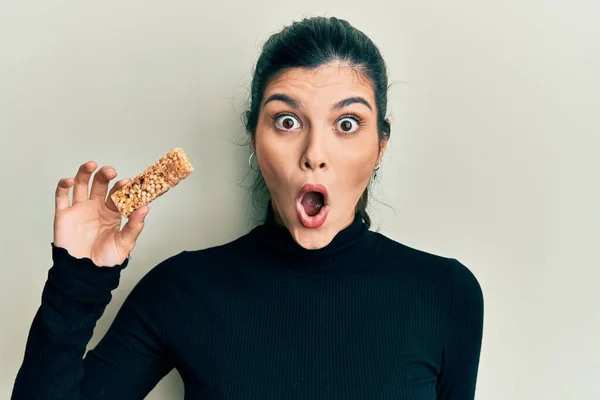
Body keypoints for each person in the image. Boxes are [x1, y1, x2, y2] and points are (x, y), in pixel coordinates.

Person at [11, 16, 484, 400]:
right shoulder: (184, 290)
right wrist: (77, 279)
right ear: (255, 138)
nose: (314, 152)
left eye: (346, 123)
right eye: (287, 120)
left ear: (380, 144)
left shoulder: (447, 294)